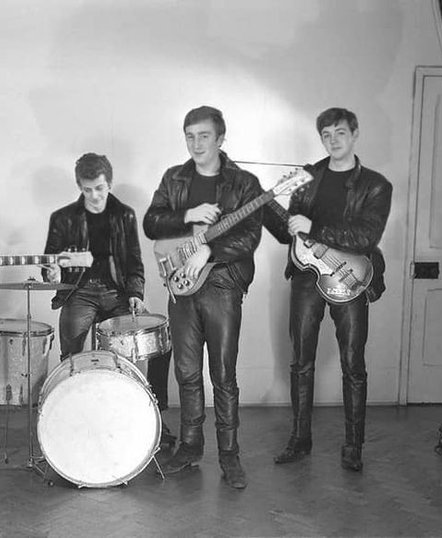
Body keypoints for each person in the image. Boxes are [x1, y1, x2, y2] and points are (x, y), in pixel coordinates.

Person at [264, 107, 392, 472]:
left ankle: (354, 446)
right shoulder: (308, 178)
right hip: (307, 276)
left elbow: (365, 236)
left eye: (339, 133)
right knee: (300, 362)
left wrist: (314, 226)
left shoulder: (376, 184)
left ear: (354, 134)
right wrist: (262, 205)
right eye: (326, 135)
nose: (333, 140)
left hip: (350, 279)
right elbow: (289, 232)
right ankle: (299, 441)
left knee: (354, 365)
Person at [143, 106, 263, 489]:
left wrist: (209, 252)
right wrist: (189, 214)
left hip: (223, 284)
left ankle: (230, 456)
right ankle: (190, 447)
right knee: (186, 372)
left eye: (204, 136)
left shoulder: (243, 183)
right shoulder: (174, 178)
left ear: (221, 138)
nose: (196, 143)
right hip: (180, 285)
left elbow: (250, 236)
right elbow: (152, 223)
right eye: (190, 136)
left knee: (223, 375)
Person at [42, 152, 174, 445]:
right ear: (79, 186)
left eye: (99, 188)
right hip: (79, 292)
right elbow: (48, 261)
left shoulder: (124, 214)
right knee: (71, 355)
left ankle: (154, 415)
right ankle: (71, 417)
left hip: (117, 293)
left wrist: (137, 295)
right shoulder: (62, 218)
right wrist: (50, 273)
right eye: (87, 190)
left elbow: (135, 263)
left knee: (158, 344)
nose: (94, 196)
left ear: (109, 184)